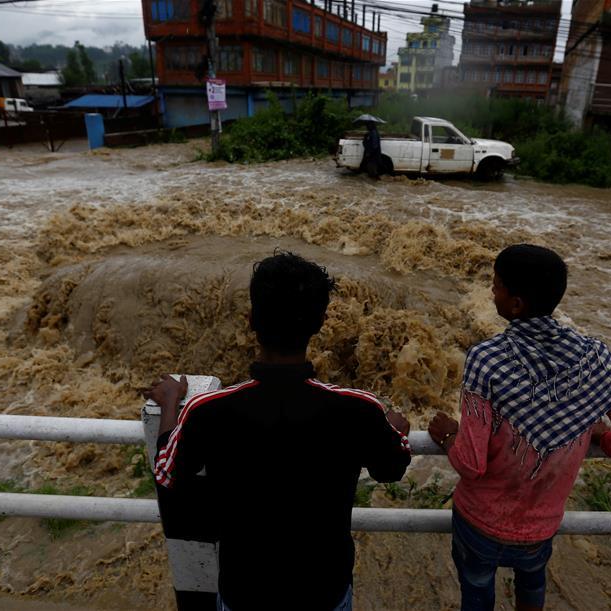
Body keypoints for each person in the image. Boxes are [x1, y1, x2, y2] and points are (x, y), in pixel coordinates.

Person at [144, 252, 411, 611]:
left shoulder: (210, 410)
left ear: (251, 320)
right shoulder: (357, 409)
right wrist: (395, 429)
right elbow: (391, 467)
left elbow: (167, 473)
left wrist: (170, 404)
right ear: (320, 322)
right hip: (323, 591)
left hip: (246, 592)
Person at [428, 244, 611, 611]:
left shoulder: (487, 360)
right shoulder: (595, 357)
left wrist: (446, 435)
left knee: (476, 594)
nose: (491, 292)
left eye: (497, 285)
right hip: (541, 527)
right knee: (532, 590)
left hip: (480, 522)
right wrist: (600, 435)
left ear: (516, 304)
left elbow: (471, 463)